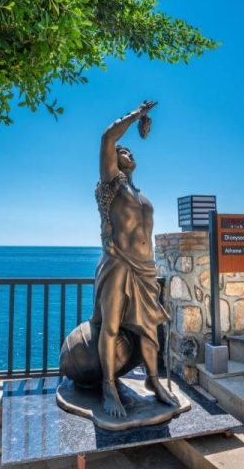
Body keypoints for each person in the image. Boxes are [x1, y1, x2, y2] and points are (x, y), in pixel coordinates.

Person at [92, 100, 179, 418]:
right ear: (113, 162)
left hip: (144, 267)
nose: (130, 153)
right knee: (111, 326)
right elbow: (107, 138)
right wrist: (137, 115)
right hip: (118, 262)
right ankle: (108, 386)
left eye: (130, 152)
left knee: (149, 329)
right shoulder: (110, 186)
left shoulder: (140, 194)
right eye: (124, 152)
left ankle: (154, 382)